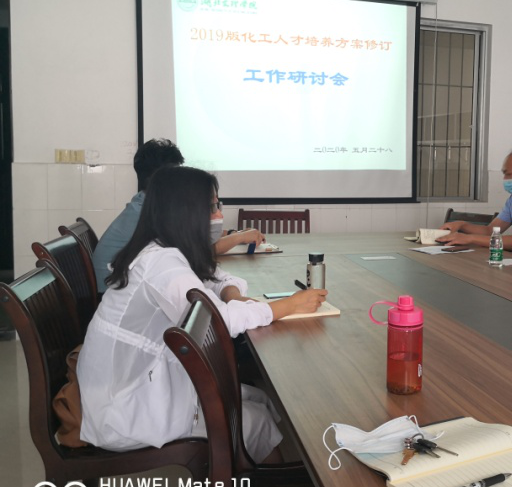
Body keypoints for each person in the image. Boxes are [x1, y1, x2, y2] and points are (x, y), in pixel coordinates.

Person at [77, 166, 326, 462]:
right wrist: (288, 306)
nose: (219, 215)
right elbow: (218, 322)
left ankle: (254, 475)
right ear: (186, 212)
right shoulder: (162, 263)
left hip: (135, 386)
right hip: (124, 411)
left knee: (258, 398)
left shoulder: (164, 249)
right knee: (256, 419)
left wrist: (232, 294)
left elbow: (215, 277)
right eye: (212, 207)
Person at [93, 139, 266, 292]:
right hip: (113, 291)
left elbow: (188, 235)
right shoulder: (147, 214)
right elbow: (195, 250)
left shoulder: (146, 202)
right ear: (163, 179)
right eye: (176, 174)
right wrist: (239, 237)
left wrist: (232, 233)